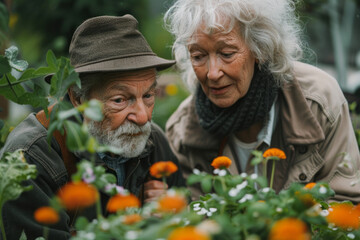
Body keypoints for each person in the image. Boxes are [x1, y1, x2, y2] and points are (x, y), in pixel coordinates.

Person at [0, 15, 185, 239]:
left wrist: (174, 217)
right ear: (78, 98)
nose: (143, 117)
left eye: (148, 95)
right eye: (120, 100)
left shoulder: (153, 141)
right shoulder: (32, 159)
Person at [164, 0, 360, 202]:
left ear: (260, 49)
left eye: (227, 54)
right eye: (198, 56)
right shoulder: (183, 130)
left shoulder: (319, 102)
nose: (212, 73)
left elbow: (346, 202)